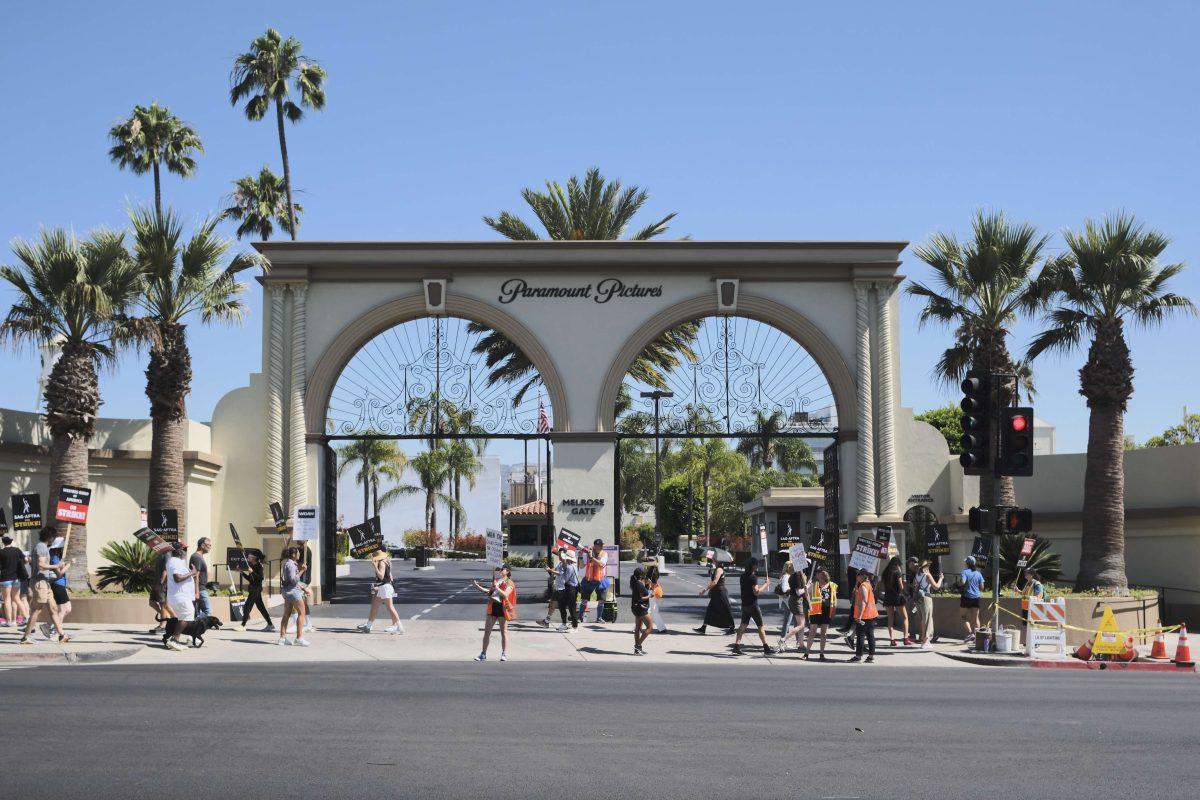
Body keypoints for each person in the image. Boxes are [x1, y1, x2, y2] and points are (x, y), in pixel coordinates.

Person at [20, 527, 69, 645]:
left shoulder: (40, 547)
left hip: (44, 582)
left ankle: (61, 635)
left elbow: (33, 562)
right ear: (50, 537)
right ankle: (26, 637)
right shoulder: (41, 547)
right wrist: (57, 565)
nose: (54, 539)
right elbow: (42, 565)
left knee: (53, 608)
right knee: (37, 609)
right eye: (53, 537)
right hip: (40, 583)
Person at [472, 566, 516, 661]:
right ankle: (483, 654)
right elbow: (489, 591)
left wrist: (497, 587)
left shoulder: (510, 583)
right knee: (487, 632)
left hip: (502, 609)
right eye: (500, 569)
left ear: (507, 571)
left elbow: (505, 594)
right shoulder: (497, 580)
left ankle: (504, 654)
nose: (500, 570)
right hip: (493, 608)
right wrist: (478, 587)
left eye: (503, 569)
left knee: (503, 632)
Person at [732, 557, 771, 656]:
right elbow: (756, 592)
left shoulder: (743, 576)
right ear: (752, 566)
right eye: (756, 564)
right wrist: (766, 585)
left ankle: (736, 646)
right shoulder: (753, 577)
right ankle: (766, 648)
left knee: (743, 625)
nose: (757, 566)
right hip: (753, 605)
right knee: (760, 626)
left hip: (745, 604)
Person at [357, 549, 403, 634]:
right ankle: (368, 626)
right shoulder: (386, 562)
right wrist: (378, 586)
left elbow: (381, 576)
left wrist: (375, 567)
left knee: (390, 607)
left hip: (385, 587)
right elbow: (388, 576)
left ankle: (400, 627)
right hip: (383, 587)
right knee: (374, 606)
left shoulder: (381, 563)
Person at [164, 541, 199, 652]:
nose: (185, 552)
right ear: (178, 551)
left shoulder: (174, 561)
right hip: (181, 596)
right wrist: (192, 573)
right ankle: (174, 639)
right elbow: (177, 578)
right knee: (186, 617)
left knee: (182, 618)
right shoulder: (176, 562)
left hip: (178, 596)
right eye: (184, 549)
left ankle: (175, 641)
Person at [277, 547, 311, 647]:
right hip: (293, 592)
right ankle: (299, 638)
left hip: (287, 592)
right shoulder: (291, 565)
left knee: (286, 614)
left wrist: (303, 589)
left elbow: (292, 581)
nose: (299, 555)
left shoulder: (287, 563)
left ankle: (282, 638)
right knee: (302, 613)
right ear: (293, 555)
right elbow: (293, 580)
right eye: (298, 553)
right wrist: (302, 570)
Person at [693, 558, 735, 635]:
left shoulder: (719, 569)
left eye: (714, 560)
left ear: (718, 561)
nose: (713, 561)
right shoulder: (716, 569)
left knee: (726, 609)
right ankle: (703, 628)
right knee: (710, 609)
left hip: (720, 592)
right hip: (716, 592)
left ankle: (732, 628)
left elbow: (715, 582)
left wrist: (705, 590)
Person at [804, 568, 838, 661]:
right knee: (812, 632)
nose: (816, 574)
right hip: (815, 612)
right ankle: (806, 653)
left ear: (822, 574)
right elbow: (807, 596)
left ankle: (821, 654)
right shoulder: (814, 585)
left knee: (824, 633)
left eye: (817, 572)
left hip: (826, 612)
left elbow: (834, 599)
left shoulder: (832, 585)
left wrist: (834, 611)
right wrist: (806, 589)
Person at [237, 550, 274, 632]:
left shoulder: (259, 566)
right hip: (253, 588)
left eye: (250, 555)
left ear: (255, 557)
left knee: (247, 606)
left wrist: (252, 572)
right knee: (261, 607)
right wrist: (242, 572)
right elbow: (251, 579)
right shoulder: (251, 565)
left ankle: (242, 625)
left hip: (256, 589)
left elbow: (260, 578)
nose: (248, 556)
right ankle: (270, 624)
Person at [43, 536, 73, 639]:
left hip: (60, 584)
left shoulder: (57, 555)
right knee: (63, 610)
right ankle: (56, 632)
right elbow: (59, 573)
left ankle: (48, 626)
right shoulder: (54, 555)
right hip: (57, 584)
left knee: (67, 609)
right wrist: (69, 564)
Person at [543, 548, 579, 631]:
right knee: (562, 606)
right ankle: (564, 624)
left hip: (571, 588)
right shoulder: (568, 565)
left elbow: (566, 578)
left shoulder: (570, 567)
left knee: (571, 607)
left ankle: (574, 627)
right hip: (567, 588)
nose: (562, 557)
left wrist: (557, 574)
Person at [849, 570, 879, 663]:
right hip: (872, 613)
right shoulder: (868, 584)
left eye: (858, 575)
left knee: (860, 636)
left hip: (865, 615)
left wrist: (860, 616)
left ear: (862, 576)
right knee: (870, 635)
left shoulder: (863, 586)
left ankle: (858, 656)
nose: (856, 577)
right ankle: (871, 656)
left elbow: (864, 601)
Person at [576, 539, 609, 624]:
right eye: (599, 546)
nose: (601, 547)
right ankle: (579, 617)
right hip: (589, 580)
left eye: (602, 545)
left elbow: (601, 564)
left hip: (600, 580)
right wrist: (580, 557)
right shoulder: (589, 552)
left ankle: (599, 618)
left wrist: (592, 557)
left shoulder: (604, 554)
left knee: (601, 600)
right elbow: (582, 566)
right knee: (584, 600)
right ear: (595, 546)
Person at [778, 565, 810, 653]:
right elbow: (798, 592)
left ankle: (801, 645)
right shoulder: (797, 577)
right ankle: (783, 639)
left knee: (801, 625)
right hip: (796, 601)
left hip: (795, 600)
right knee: (801, 625)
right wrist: (807, 586)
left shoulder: (795, 576)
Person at [912, 559, 942, 648]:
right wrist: (941, 578)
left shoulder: (916, 575)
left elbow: (914, 586)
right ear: (926, 567)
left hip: (918, 599)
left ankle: (923, 639)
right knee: (927, 619)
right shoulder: (927, 575)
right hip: (926, 598)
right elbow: (936, 587)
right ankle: (925, 641)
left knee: (922, 619)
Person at [0, 534, 29, 628]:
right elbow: (26, 560)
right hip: (16, 578)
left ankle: (9, 621)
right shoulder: (17, 550)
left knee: (7, 599)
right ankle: (26, 617)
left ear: (3, 541)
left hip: (5, 579)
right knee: (16, 598)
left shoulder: (1, 552)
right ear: (11, 541)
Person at [881, 556, 910, 646]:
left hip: (888, 597)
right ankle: (905, 639)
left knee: (890, 619)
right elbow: (901, 586)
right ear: (897, 564)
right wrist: (905, 593)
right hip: (897, 597)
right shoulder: (897, 572)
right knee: (905, 618)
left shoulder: (885, 572)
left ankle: (892, 640)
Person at [956, 556, 986, 641]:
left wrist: (958, 583)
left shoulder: (965, 572)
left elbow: (962, 582)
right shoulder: (978, 573)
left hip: (966, 597)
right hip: (976, 597)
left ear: (967, 563)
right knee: (976, 617)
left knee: (963, 617)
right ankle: (978, 637)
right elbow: (982, 587)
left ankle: (970, 633)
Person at [147, 545, 172, 635]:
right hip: (156, 582)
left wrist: (160, 583)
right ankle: (167, 617)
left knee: (163, 605)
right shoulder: (159, 554)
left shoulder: (167, 554)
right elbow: (158, 569)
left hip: (163, 583)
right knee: (152, 602)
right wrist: (149, 569)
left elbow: (166, 569)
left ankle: (163, 625)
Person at [630, 565, 653, 655]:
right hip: (641, 608)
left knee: (638, 628)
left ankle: (637, 649)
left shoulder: (636, 583)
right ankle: (638, 646)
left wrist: (648, 584)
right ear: (641, 575)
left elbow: (643, 591)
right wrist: (650, 596)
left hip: (636, 608)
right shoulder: (639, 584)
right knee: (649, 627)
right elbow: (641, 598)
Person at [294, 539, 316, 632]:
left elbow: (301, 566)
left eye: (299, 537)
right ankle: (307, 624)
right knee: (300, 601)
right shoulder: (299, 549)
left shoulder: (306, 551)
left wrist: (293, 564)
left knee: (299, 601)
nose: (296, 539)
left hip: (303, 578)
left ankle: (302, 624)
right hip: (300, 578)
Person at [190, 537, 212, 619]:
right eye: (209, 545)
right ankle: (194, 622)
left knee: (197, 611)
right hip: (200, 589)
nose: (210, 547)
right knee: (207, 611)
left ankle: (195, 625)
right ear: (203, 545)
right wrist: (197, 592)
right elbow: (196, 576)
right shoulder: (197, 557)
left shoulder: (199, 557)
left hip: (200, 588)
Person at [646, 564, 667, 633]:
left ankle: (660, 628)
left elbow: (653, 584)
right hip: (652, 592)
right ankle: (661, 627)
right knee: (651, 610)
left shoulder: (652, 572)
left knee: (650, 611)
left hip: (650, 592)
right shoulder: (655, 571)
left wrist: (648, 581)